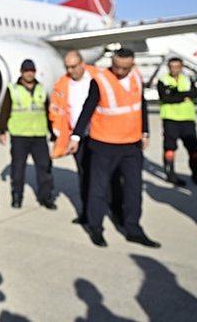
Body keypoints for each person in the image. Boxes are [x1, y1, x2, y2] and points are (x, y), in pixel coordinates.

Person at [67, 47, 160, 248]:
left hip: (131, 145)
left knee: (134, 190)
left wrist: (145, 132)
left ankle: (133, 229)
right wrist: (75, 136)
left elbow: (140, 105)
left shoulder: (136, 76)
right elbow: (87, 109)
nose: (119, 71)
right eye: (116, 66)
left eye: (124, 68)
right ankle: (96, 228)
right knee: (98, 189)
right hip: (103, 145)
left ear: (132, 65)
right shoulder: (100, 80)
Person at [50, 50, 122, 224]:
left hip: (103, 135)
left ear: (83, 63)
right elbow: (56, 111)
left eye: (74, 66)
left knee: (110, 176)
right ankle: (86, 213)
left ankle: (117, 212)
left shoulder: (99, 77)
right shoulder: (62, 84)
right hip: (78, 138)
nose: (71, 70)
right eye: (67, 67)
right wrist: (62, 135)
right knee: (84, 176)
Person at [0, 59, 56, 209]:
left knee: (45, 168)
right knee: (18, 169)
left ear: (34, 72)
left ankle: (46, 197)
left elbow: (48, 111)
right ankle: (17, 196)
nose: (29, 73)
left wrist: (52, 131)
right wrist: (2, 130)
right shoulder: (13, 89)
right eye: (26, 71)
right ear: (22, 72)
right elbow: (5, 110)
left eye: (31, 71)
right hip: (20, 135)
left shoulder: (41, 89)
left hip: (39, 135)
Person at [157, 57, 197, 186]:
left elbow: (196, 92)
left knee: (194, 149)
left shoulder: (187, 79)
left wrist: (177, 95)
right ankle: (170, 175)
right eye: (172, 67)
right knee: (170, 148)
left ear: (182, 67)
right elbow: (165, 97)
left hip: (187, 119)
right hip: (170, 119)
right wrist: (184, 96)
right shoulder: (163, 80)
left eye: (177, 67)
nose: (175, 69)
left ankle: (196, 174)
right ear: (168, 67)